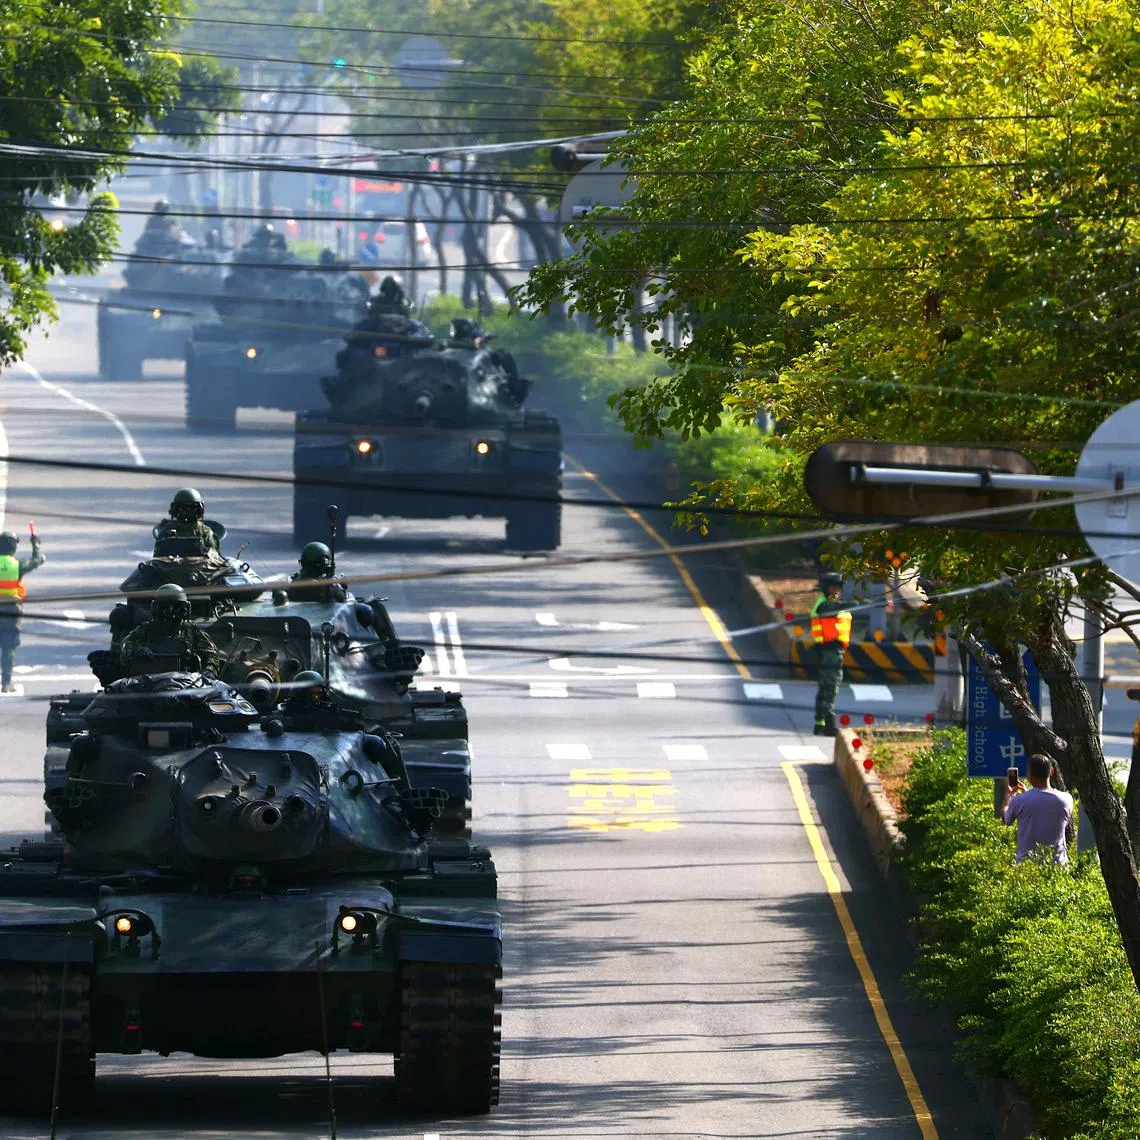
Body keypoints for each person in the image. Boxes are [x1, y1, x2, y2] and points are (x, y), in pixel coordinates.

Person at [119, 584, 222, 675]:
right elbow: (126, 645)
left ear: (184, 609)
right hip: (150, 682)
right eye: (166, 608)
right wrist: (135, 649)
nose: (171, 613)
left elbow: (211, 655)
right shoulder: (146, 629)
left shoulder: (191, 631)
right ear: (157, 608)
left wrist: (209, 671)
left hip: (185, 682)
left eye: (176, 608)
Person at [1002, 753, 1074, 864]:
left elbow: (1007, 820)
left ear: (1029, 774)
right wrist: (1027, 793)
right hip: (1057, 866)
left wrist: (1008, 796)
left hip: (1027, 866)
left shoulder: (1019, 801)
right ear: (1051, 772)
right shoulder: (1067, 799)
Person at [0, 527, 44, 693]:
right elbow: (37, 560)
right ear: (14, 547)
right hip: (11, 611)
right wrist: (35, 545)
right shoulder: (17, 565)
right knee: (8, 647)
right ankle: (5, 683)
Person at [810, 571, 852, 736]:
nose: (838, 590)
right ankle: (828, 724)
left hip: (830, 650)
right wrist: (859, 603)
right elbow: (831, 608)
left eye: (839, 587)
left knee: (824, 689)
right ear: (827, 588)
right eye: (834, 587)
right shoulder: (826, 604)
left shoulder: (831, 603)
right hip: (829, 652)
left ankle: (820, 723)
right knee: (830, 688)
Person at [278, 670, 362, 732]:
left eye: (319, 693)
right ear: (300, 693)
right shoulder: (285, 713)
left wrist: (352, 724)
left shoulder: (326, 712)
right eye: (311, 693)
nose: (315, 697)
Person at [153, 488, 220, 555]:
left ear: (199, 509)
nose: (188, 510)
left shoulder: (205, 532)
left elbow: (214, 555)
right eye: (183, 507)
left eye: (192, 507)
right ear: (176, 509)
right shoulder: (167, 532)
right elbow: (158, 555)